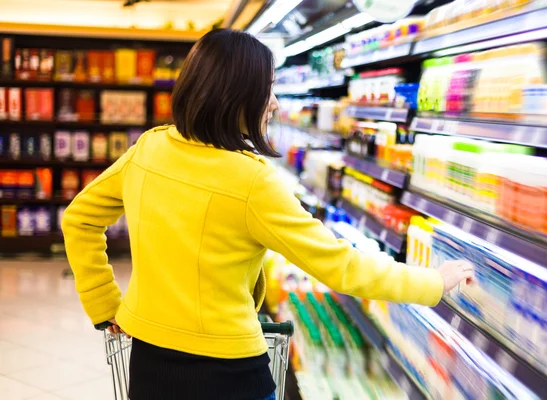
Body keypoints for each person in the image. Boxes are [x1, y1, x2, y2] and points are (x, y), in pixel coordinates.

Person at [62, 29, 474, 400]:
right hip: (227, 373)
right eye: (269, 88)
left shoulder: (148, 150)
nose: (275, 103)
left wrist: (105, 306)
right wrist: (433, 281)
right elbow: (338, 265)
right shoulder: (252, 181)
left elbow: (78, 218)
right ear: (236, 95)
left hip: (149, 363)